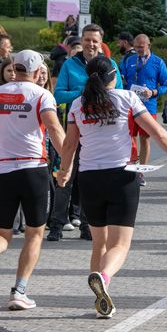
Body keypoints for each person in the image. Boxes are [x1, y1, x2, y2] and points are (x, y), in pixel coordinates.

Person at [59, 57, 167, 318]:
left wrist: (64, 172)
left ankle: (100, 297)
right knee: (120, 245)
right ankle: (104, 278)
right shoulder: (127, 98)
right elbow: (157, 133)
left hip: (89, 178)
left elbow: (70, 145)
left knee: (99, 243)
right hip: (122, 176)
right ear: (114, 76)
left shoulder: (77, 104)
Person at [0, 50, 66, 311]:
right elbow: (56, 131)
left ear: (14, 67)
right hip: (34, 170)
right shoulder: (41, 95)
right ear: (38, 73)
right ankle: (19, 291)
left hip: (3, 171)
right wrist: (67, 166)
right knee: (34, 234)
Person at [49, 23, 124, 242]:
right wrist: (85, 91)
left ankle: (88, 226)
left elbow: (117, 94)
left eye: (95, 40)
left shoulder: (110, 65)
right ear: (81, 40)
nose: (90, 44)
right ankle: (57, 224)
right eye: (87, 39)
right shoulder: (69, 65)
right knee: (65, 178)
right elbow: (59, 95)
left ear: (101, 43)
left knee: (90, 182)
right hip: (73, 130)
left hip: (99, 134)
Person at [119, 34, 167, 185]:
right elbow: (121, 77)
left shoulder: (158, 62)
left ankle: (141, 172)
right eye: (136, 47)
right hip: (129, 105)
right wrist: (122, 79)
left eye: (141, 47)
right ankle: (131, 168)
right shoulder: (128, 60)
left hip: (148, 106)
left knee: (145, 138)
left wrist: (153, 92)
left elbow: (165, 86)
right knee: (129, 137)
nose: (138, 50)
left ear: (148, 45)